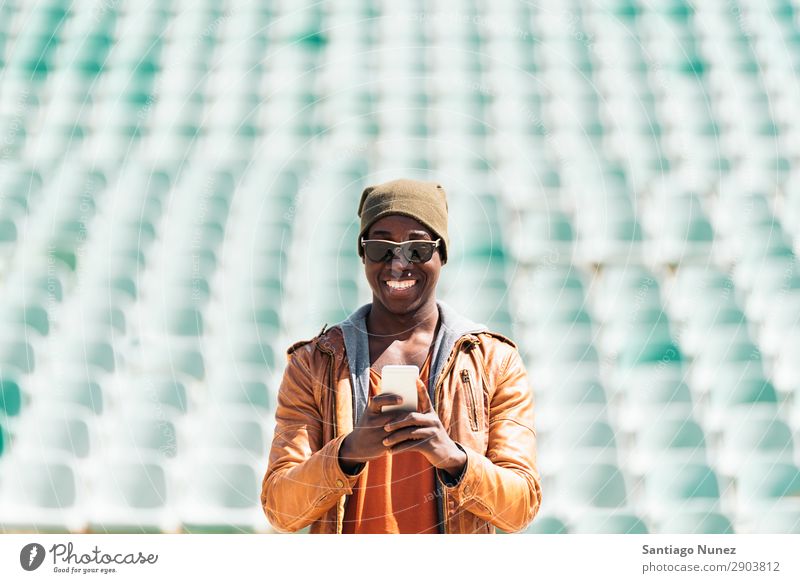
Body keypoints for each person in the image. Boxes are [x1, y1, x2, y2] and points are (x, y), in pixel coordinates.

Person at [261, 178, 541, 534]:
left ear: (442, 255)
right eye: (381, 247)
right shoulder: (313, 363)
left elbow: (520, 506)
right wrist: (348, 452)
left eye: (418, 249)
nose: (398, 264)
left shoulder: (494, 361)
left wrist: (453, 459)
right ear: (362, 254)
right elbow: (280, 507)